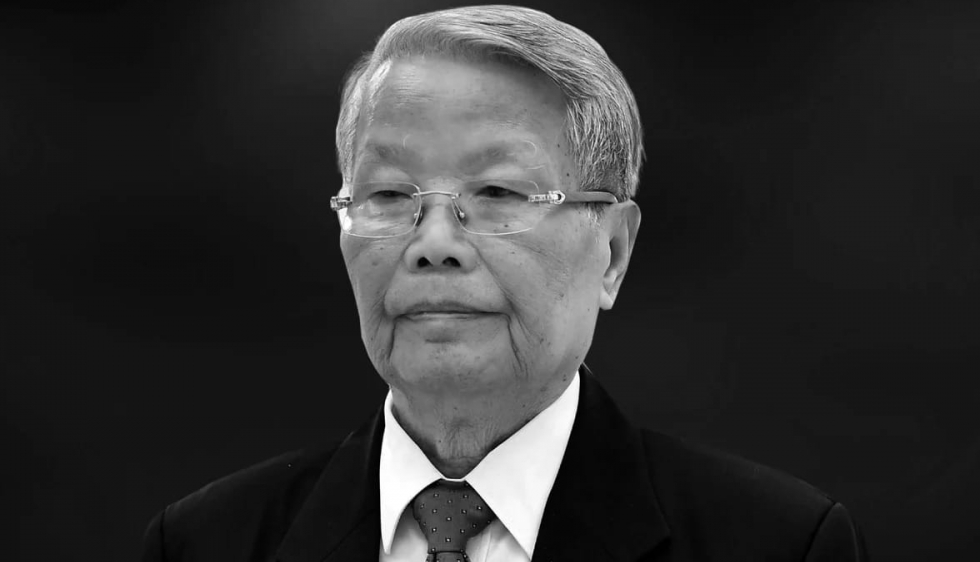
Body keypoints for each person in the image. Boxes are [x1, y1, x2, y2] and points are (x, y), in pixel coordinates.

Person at [140, 5, 868, 561]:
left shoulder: (779, 543)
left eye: (496, 193)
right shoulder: (207, 542)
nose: (433, 246)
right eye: (389, 195)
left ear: (613, 252)